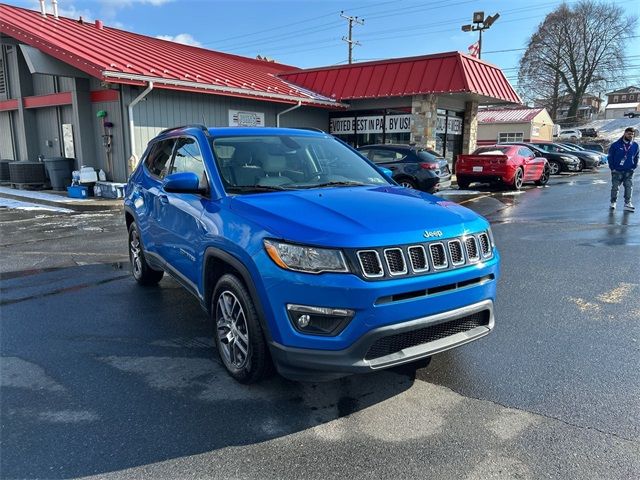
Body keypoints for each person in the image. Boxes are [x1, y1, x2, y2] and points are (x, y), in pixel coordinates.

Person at [608, 127, 638, 212]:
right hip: (617, 170)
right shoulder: (615, 145)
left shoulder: (635, 145)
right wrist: (612, 168)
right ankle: (613, 202)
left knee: (629, 187)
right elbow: (610, 157)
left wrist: (634, 166)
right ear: (624, 133)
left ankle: (627, 203)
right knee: (615, 187)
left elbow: (636, 156)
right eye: (629, 134)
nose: (631, 136)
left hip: (629, 171)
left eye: (632, 134)